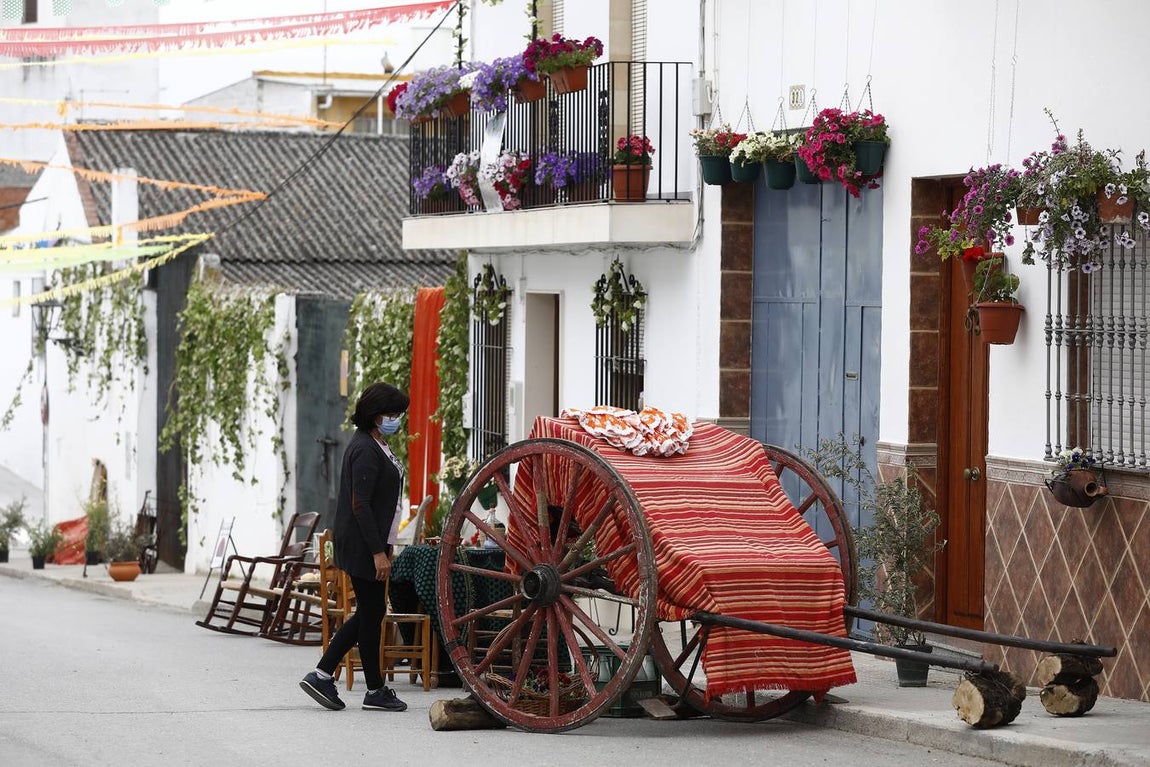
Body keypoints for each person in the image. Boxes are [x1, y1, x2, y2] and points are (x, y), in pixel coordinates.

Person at [300, 381, 410, 712]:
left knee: (370, 612)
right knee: (370, 612)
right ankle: (333, 676)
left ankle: (360, 684)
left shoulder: (377, 443)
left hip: (372, 542)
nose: (397, 419)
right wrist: (378, 551)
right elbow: (360, 504)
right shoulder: (364, 448)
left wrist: (386, 544)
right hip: (363, 543)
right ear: (376, 415)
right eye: (393, 414)